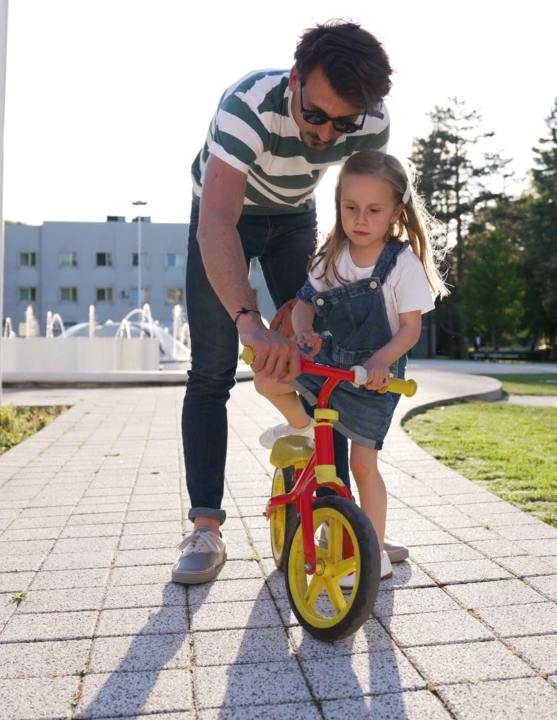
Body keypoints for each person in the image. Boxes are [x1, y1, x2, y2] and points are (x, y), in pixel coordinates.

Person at [173, 20, 394, 585]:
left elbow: (362, 214)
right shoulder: (249, 107)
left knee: (330, 363)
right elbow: (216, 221)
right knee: (213, 369)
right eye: (314, 115)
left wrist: (317, 296)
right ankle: (205, 528)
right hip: (225, 217)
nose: (324, 136)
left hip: (296, 217)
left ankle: (338, 521)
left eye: (341, 124)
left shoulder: (371, 123)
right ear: (295, 80)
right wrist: (250, 320)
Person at [253, 151, 446, 582]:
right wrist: (305, 333)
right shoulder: (331, 256)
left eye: (374, 210)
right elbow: (303, 305)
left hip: (374, 379)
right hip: (329, 362)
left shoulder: (401, 265)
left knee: (363, 466)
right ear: (338, 205)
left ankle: (373, 550)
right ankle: (301, 425)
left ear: (396, 212)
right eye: (350, 208)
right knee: (267, 377)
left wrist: (380, 361)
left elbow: (410, 329)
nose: (360, 219)